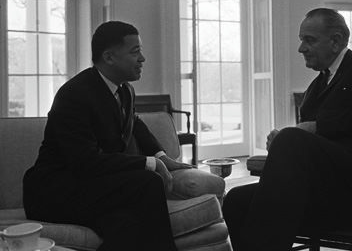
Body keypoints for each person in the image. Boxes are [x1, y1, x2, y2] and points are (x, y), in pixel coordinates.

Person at [222, 8, 352, 251]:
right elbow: (312, 147)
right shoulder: (314, 90)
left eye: (309, 40)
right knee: (236, 201)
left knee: (292, 139)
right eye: (301, 40)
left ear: (336, 41)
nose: (301, 48)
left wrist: (311, 130)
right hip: (326, 192)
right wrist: (283, 142)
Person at [23, 21, 216, 251]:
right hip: (56, 191)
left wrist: (161, 156)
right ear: (109, 57)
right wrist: (150, 163)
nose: (143, 58)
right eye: (135, 52)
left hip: (91, 187)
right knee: (148, 182)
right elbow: (85, 161)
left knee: (125, 226)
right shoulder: (75, 95)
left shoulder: (124, 90)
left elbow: (134, 123)